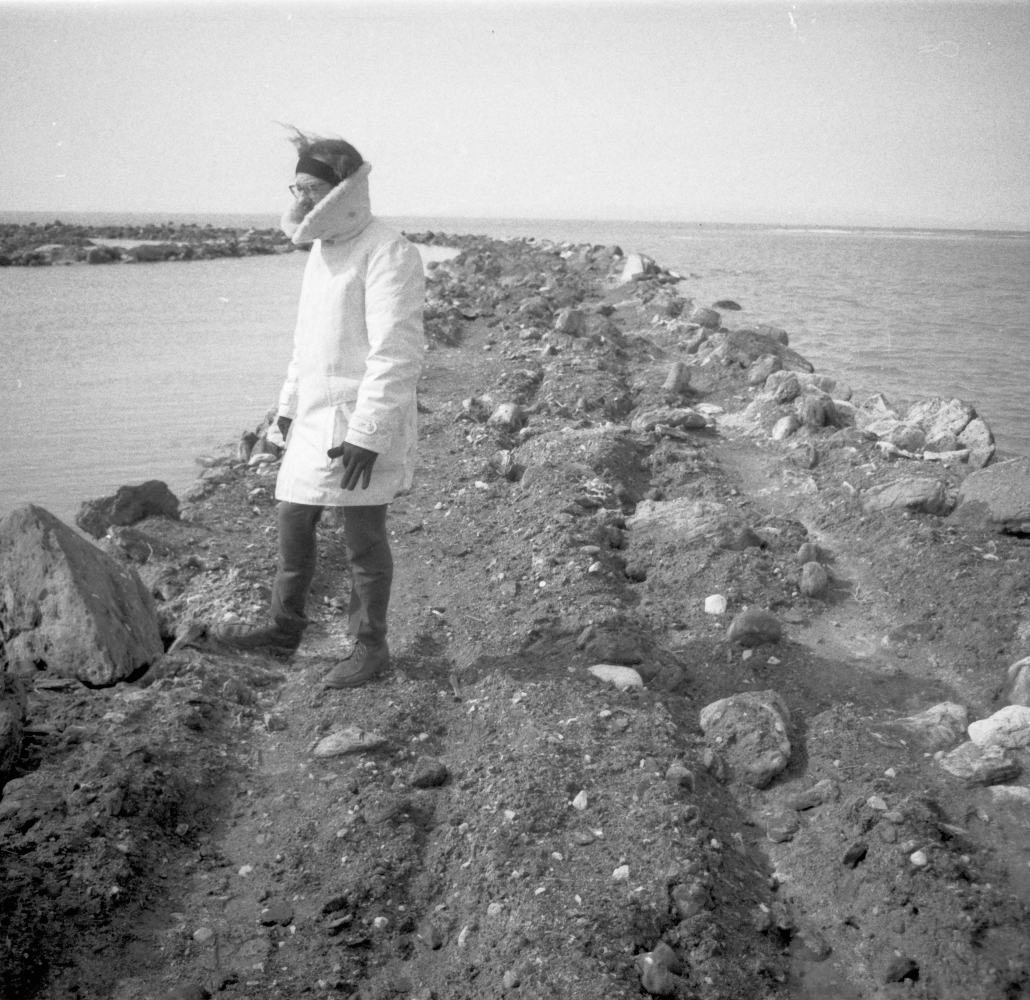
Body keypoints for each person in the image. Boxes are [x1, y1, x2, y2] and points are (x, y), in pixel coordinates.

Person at [214, 127, 425, 688]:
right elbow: (306, 344)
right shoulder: (323, 251)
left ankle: (369, 646)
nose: (299, 200)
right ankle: (284, 632)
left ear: (341, 190)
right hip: (311, 418)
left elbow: (397, 351)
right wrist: (284, 412)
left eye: (310, 188)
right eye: (297, 187)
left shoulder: (389, 250)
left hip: (357, 422)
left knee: (362, 538)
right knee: (292, 517)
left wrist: (370, 432)